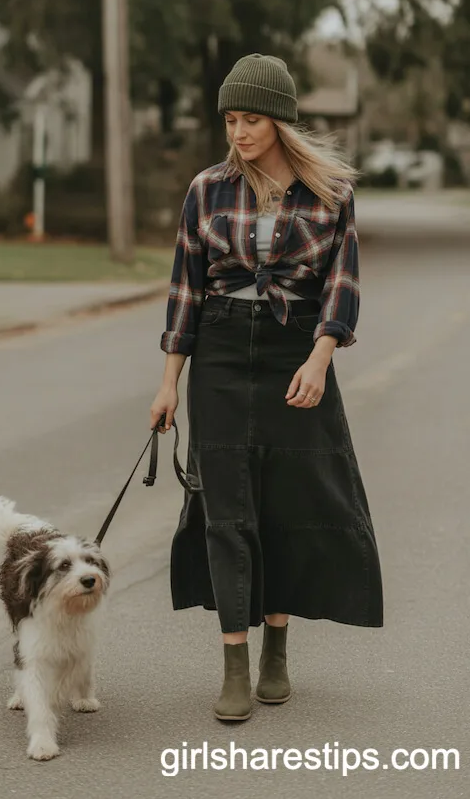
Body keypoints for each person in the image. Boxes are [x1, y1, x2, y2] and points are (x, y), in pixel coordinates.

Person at [150, 53, 383, 722]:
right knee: (228, 511)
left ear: (280, 119)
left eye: (251, 118)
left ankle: (276, 647)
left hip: (295, 350)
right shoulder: (208, 189)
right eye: (230, 119)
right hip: (219, 353)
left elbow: (342, 282)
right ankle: (233, 661)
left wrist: (320, 358)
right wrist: (169, 383)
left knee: (283, 505)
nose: (239, 132)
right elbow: (184, 291)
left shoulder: (331, 191)